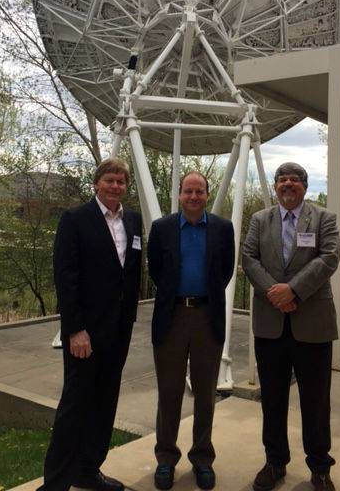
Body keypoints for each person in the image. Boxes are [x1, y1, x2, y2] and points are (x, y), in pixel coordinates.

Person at [38, 158, 142, 491]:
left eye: (121, 181)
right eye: (110, 180)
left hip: (119, 329)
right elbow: (65, 278)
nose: (115, 186)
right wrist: (74, 329)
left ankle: (88, 469)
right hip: (86, 332)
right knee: (75, 405)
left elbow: (131, 273)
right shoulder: (75, 220)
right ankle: (55, 483)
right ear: (97, 183)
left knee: (105, 401)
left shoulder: (134, 221)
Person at [242, 162, 340, 491]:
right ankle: (274, 463)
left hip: (312, 326)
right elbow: (249, 258)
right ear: (275, 186)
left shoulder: (324, 218)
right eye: (282, 179)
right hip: (271, 326)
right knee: (272, 399)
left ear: (304, 186)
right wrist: (276, 293)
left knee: (315, 400)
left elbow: (329, 257)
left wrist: (293, 290)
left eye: (294, 180)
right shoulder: (260, 219)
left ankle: (320, 467)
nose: (287, 184)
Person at [147, 171, 235, 491]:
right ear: (180, 195)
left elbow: (225, 271)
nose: (194, 196)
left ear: (206, 195)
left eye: (199, 191)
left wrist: (202, 298)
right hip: (171, 318)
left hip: (206, 317)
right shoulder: (162, 228)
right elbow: (155, 268)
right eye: (188, 191)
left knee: (205, 394)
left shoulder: (223, 229)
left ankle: (202, 459)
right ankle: (166, 459)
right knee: (169, 393)